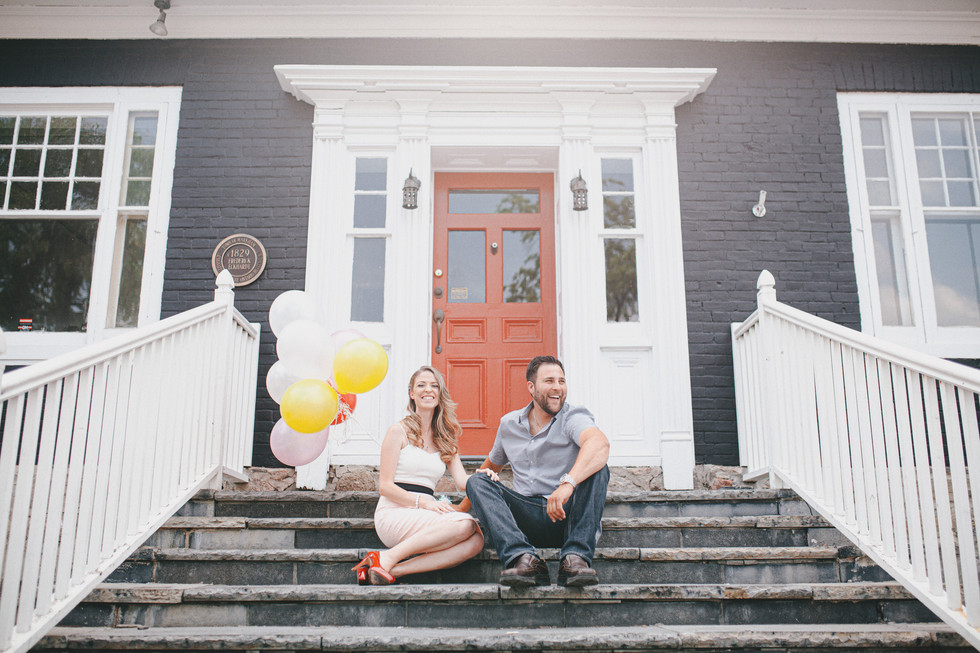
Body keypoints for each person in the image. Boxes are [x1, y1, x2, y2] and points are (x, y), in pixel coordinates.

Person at [465, 355, 610, 587]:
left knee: (599, 467)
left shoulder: (573, 417)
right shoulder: (509, 424)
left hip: (566, 516)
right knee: (477, 480)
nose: (558, 388)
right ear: (531, 387)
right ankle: (523, 558)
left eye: (562, 381)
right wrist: (459, 508)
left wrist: (568, 484)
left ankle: (576, 558)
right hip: (525, 517)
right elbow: (490, 467)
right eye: (549, 381)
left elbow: (599, 444)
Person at [353, 365, 496, 585]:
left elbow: (462, 481)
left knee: (476, 541)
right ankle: (387, 557)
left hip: (428, 512)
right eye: (421, 385)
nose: (428, 390)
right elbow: (385, 487)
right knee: (466, 525)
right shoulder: (397, 431)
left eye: (434, 385)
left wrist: (483, 476)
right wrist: (423, 502)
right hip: (395, 511)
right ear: (412, 393)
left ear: (440, 394)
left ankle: (391, 569)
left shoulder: (446, 438)